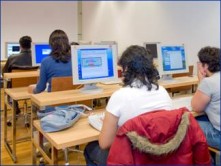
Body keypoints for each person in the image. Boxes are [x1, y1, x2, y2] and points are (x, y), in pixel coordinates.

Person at [84, 45, 172, 165]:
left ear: (126, 70)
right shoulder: (162, 91)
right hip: (159, 156)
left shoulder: (120, 96)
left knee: (90, 148)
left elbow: (105, 143)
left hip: (132, 158)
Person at [28, 30, 74, 95]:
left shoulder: (46, 62)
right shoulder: (75, 60)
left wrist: (33, 90)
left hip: (53, 103)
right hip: (74, 102)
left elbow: (40, 88)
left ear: (51, 44)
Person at [191, 46, 220, 150]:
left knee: (186, 124)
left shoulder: (208, 82)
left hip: (218, 135)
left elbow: (196, 107)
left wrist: (201, 81)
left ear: (205, 66)